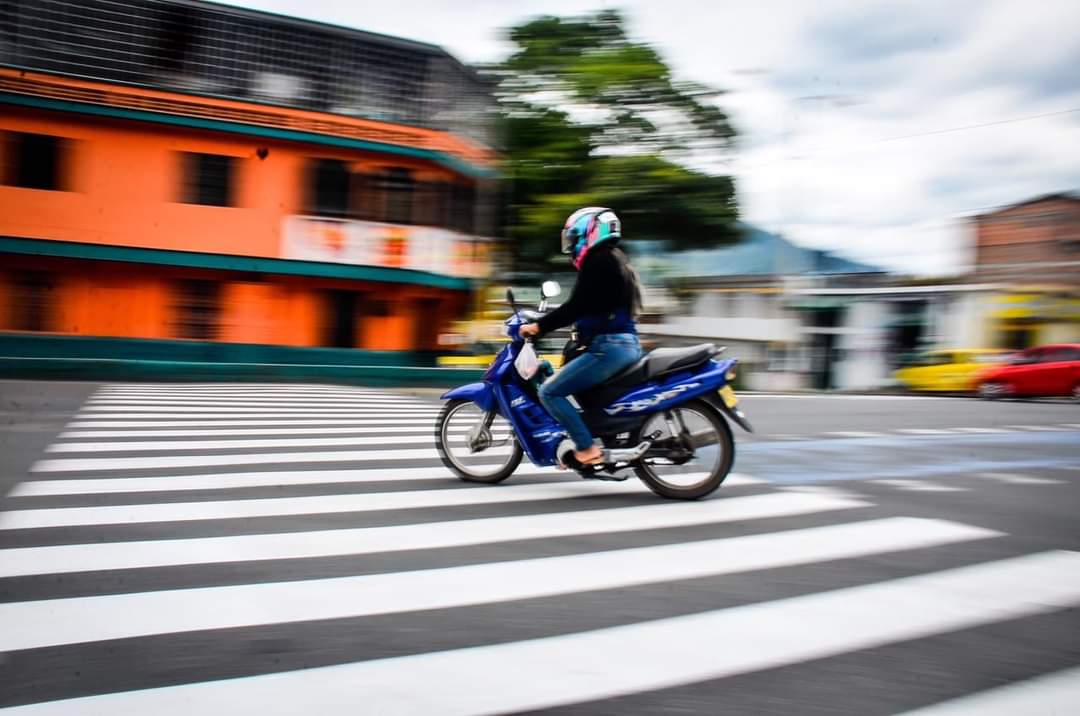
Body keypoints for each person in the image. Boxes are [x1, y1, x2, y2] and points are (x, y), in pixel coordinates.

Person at [519, 207, 643, 466]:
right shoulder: (615, 259)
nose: (571, 245)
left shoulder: (597, 261)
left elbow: (577, 306)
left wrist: (539, 327)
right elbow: (588, 307)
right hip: (622, 344)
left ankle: (586, 449)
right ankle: (588, 437)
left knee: (550, 392)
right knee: (559, 375)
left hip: (607, 347)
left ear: (591, 231)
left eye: (574, 238)